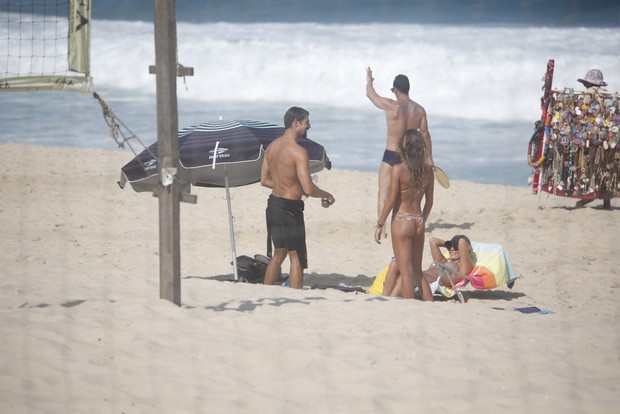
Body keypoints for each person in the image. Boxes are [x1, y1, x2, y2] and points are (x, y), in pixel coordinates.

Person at [260, 107, 335, 289]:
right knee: (297, 258)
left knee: (278, 254)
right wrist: (327, 194)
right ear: (296, 123)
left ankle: (266, 293)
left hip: (274, 205)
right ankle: (294, 299)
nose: (309, 126)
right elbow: (309, 188)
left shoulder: (271, 147)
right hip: (290, 210)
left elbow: (264, 180)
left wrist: (289, 187)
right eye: (306, 122)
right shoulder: (298, 152)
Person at [366, 67, 433, 232]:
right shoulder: (419, 110)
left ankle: (382, 226)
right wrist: (429, 157)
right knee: (403, 195)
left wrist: (369, 81)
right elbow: (425, 135)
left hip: (391, 155)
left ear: (395, 89)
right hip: (409, 158)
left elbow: (370, 95)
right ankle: (399, 221)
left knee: (384, 193)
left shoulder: (391, 106)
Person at [374, 129, 434, 300]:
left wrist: (380, 223)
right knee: (417, 271)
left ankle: (410, 306)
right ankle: (431, 304)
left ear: (403, 147)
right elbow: (429, 202)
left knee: (405, 272)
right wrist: (423, 219)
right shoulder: (428, 171)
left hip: (402, 220)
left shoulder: (398, 169)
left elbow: (391, 200)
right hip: (418, 221)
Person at [382, 235, 474, 297]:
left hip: (430, 282)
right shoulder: (442, 261)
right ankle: (385, 297)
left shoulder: (463, 267)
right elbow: (433, 241)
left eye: (456, 247)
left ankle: (391, 301)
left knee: (405, 276)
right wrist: (449, 245)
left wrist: (461, 245)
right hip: (420, 275)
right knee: (395, 264)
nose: (452, 249)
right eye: (451, 246)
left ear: (467, 249)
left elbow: (462, 242)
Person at [574, 69, 612, 210]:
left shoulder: (587, 95)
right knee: (606, 167)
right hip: (608, 138)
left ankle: (586, 199)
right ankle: (606, 202)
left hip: (592, 139)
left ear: (587, 83)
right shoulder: (609, 96)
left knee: (592, 168)